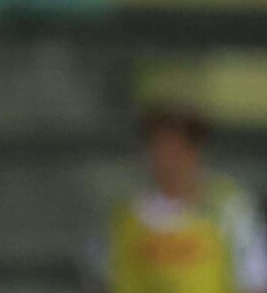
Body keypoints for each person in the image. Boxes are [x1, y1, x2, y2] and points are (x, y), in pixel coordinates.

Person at [107, 109, 267, 293]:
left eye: (175, 148)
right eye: (158, 147)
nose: (165, 159)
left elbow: (254, 278)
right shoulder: (129, 216)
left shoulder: (229, 207)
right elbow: (117, 278)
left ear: (194, 151)